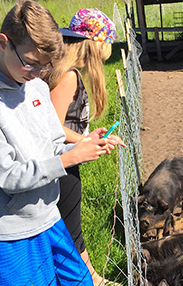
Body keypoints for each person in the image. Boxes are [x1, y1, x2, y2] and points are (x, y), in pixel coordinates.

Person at [0, 1, 118, 285]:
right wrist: (70, 158)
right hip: (10, 231)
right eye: (31, 63)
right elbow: (8, 175)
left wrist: (82, 146)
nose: (36, 73)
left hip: (49, 216)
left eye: (45, 66)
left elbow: (53, 144)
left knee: (80, 281)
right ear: (3, 43)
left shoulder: (36, 86)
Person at [41, 8, 125, 286]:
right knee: (70, 227)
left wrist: (89, 137)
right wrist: (87, 142)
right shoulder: (68, 76)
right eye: (109, 41)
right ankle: (91, 280)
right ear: (96, 43)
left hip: (63, 159)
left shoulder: (62, 71)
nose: (110, 48)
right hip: (62, 163)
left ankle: (88, 277)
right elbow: (52, 128)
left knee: (66, 225)